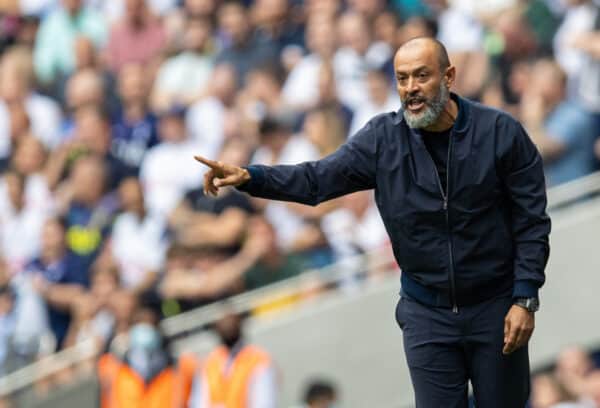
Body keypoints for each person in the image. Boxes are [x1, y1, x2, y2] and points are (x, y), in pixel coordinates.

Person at [195, 37, 551, 407]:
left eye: (421, 76)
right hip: (426, 313)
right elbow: (317, 180)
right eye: (402, 79)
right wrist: (251, 177)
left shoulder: (500, 133)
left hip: (494, 307)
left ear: (449, 77)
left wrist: (525, 297)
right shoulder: (383, 140)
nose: (410, 88)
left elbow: (532, 222)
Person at [188, 307, 277, 408]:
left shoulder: (258, 360)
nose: (227, 323)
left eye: (230, 318)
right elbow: (198, 403)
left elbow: (264, 403)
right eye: (222, 319)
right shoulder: (208, 364)